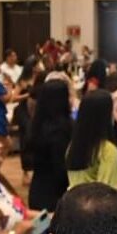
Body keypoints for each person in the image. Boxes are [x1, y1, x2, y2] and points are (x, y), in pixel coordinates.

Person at [24, 79, 72, 211]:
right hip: (56, 195)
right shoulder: (61, 129)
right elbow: (60, 168)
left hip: (38, 189)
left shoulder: (36, 123)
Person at [66, 89, 117, 191]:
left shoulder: (73, 146)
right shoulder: (107, 150)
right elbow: (106, 190)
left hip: (75, 202)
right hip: (98, 203)